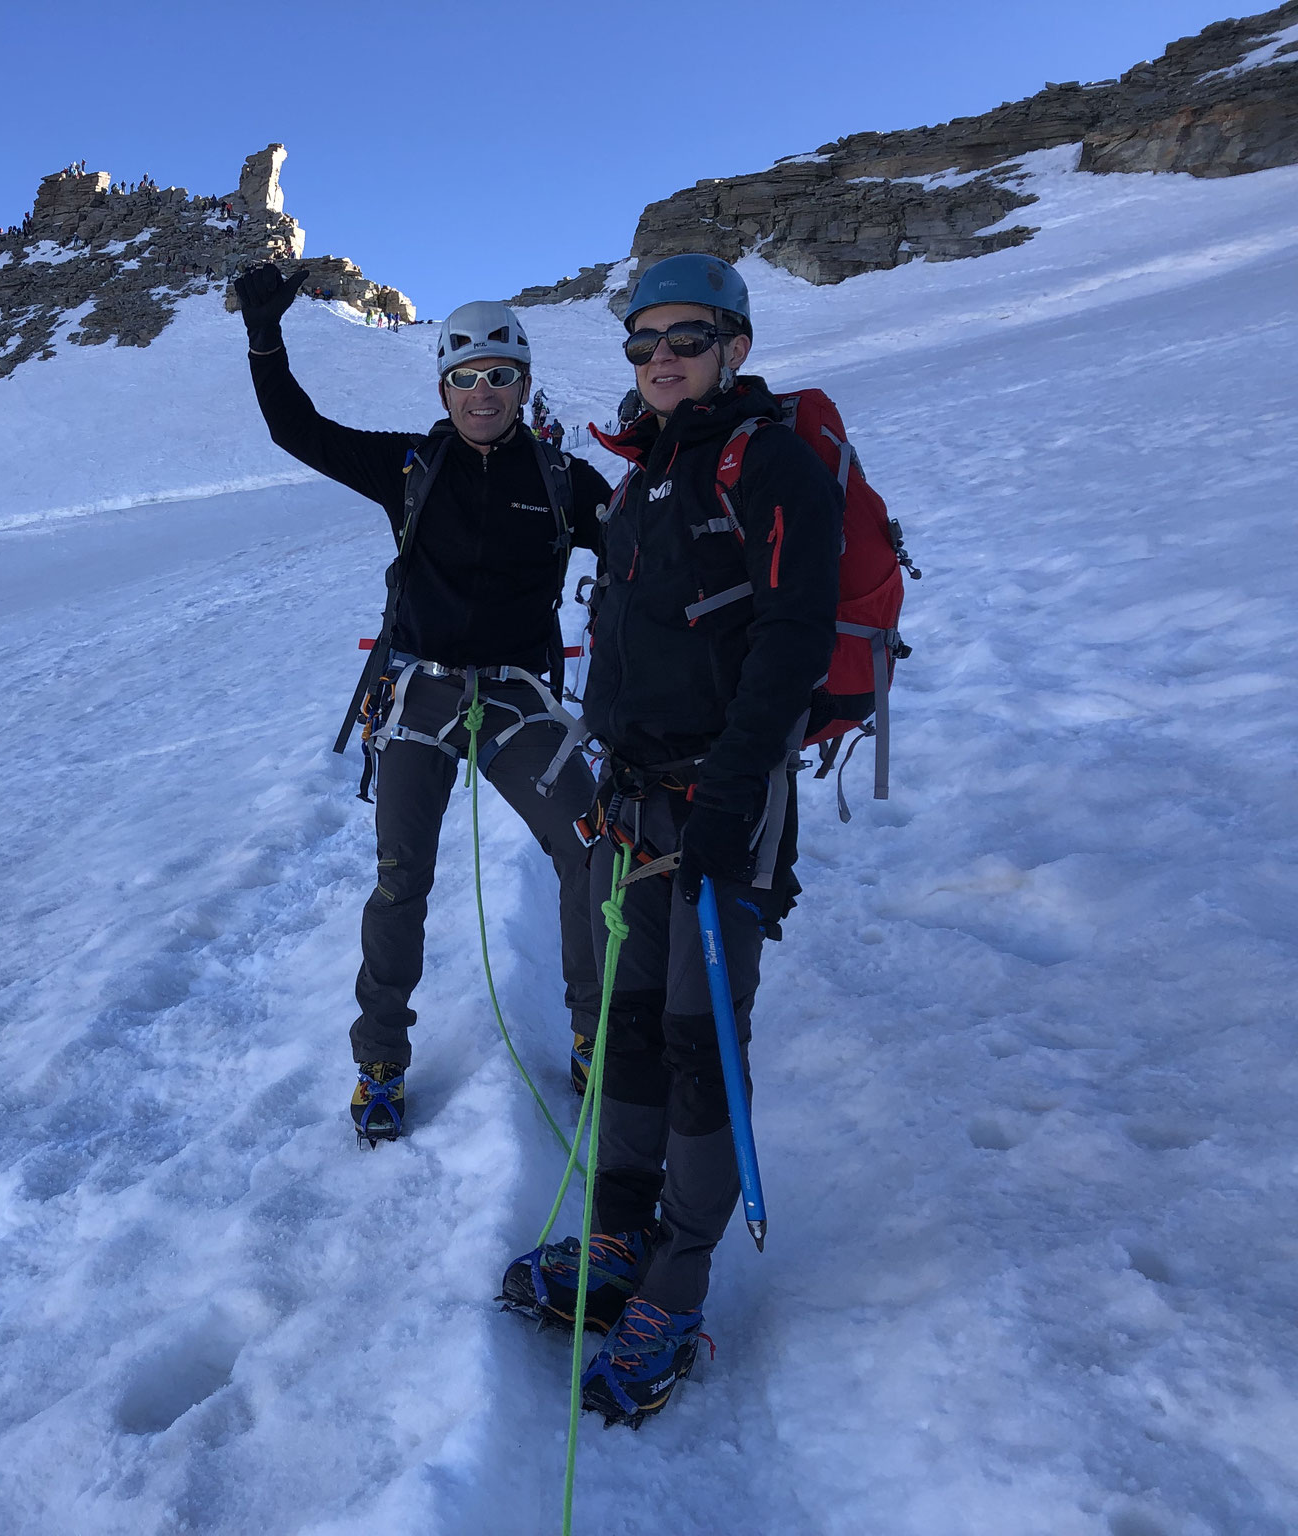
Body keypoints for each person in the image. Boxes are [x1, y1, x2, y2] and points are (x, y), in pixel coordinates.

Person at [502, 254, 843, 1425]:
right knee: (632, 1032)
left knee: (699, 1047)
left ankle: (677, 1285)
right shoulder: (647, 473)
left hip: (716, 808)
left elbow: (792, 643)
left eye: (685, 336)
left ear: (735, 342)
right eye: (643, 339)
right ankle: (614, 1241)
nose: (660, 356)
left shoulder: (769, 463)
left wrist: (731, 805)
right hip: (631, 801)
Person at [232, 263, 615, 1145]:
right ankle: (379, 1062)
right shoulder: (409, 465)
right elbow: (299, 429)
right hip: (419, 692)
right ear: (442, 386)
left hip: (518, 699)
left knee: (592, 849)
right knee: (402, 879)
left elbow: (645, 548)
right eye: (465, 378)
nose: (483, 394)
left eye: (500, 376)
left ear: (525, 381)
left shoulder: (565, 481)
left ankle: (597, 1033)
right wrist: (264, 337)